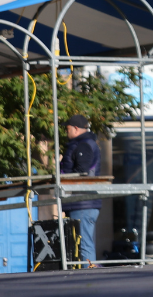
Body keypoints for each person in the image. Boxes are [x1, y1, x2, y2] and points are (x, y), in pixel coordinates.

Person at [60, 114, 101, 266]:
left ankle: (91, 278)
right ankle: (89, 276)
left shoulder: (83, 145)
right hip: (81, 202)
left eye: (68, 128)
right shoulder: (82, 144)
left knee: (84, 245)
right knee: (82, 244)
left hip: (83, 202)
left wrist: (61, 170)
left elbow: (82, 172)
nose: (66, 132)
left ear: (76, 129)